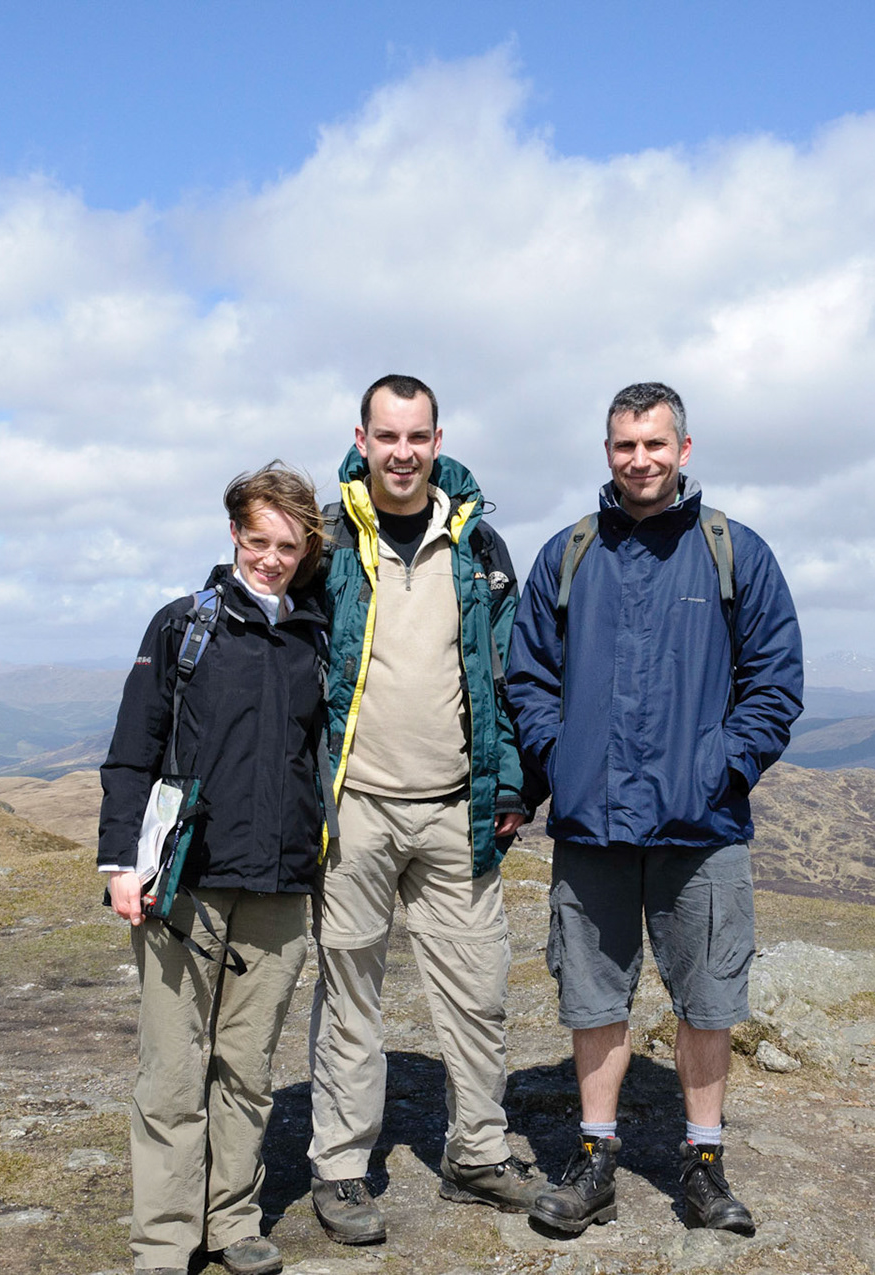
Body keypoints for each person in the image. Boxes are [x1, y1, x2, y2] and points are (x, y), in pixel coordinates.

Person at [506, 382, 803, 1237]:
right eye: (625, 445)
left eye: (655, 444)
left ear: (684, 449)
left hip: (701, 827)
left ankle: (704, 1165)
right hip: (593, 825)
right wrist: (563, 762)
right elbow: (529, 676)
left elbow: (775, 679)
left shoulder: (734, 552)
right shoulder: (569, 553)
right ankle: (595, 1158)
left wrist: (721, 767)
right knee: (592, 994)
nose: (640, 460)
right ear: (608, 451)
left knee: (709, 999)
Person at [306, 374, 548, 1244]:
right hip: (355, 811)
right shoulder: (327, 539)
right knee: (349, 998)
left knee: (478, 991)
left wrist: (513, 784)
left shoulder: (479, 542)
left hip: (457, 810)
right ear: (362, 440)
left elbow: (511, 673)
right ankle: (340, 1167)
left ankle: (477, 1153)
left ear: (437, 441)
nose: (402, 453)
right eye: (387, 436)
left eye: (417, 437)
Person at [97, 462, 332, 1275]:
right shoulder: (182, 626)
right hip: (184, 882)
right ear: (234, 532)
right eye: (258, 540)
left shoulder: (313, 636)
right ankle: (164, 1241)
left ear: (306, 550)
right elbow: (130, 752)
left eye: (287, 547)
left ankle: (232, 1220)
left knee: (248, 1067)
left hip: (279, 884)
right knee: (172, 1069)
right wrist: (121, 863)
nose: (271, 559)